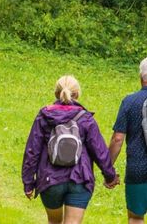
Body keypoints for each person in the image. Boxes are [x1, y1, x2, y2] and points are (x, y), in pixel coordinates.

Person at [22, 75, 119, 224]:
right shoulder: (86, 119)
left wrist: (28, 182)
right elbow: (99, 151)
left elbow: (32, 150)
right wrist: (110, 176)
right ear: (77, 94)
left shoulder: (44, 116)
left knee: (53, 221)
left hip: (50, 180)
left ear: (56, 93)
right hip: (80, 178)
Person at [109, 58, 147, 224]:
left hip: (137, 169)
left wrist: (108, 169)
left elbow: (118, 138)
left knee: (135, 217)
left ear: (141, 76)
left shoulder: (130, 102)